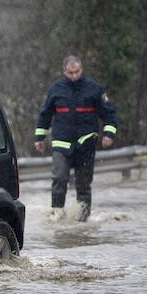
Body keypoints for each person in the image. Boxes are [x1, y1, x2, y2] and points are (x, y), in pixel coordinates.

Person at [34, 55, 117, 221]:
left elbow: (109, 113)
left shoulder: (94, 88)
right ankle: (57, 213)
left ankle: (83, 220)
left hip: (86, 143)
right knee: (59, 177)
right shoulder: (56, 89)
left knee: (83, 184)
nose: (74, 76)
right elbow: (45, 114)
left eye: (77, 72)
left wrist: (109, 134)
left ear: (81, 69)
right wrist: (39, 137)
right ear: (64, 71)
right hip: (61, 143)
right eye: (70, 73)